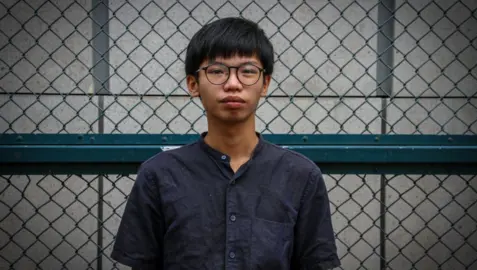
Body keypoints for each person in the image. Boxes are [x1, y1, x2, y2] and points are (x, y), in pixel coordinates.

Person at [110, 17, 341, 270]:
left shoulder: (301, 177)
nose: (233, 84)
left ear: (265, 84)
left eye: (248, 71)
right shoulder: (158, 175)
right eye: (217, 71)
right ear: (193, 84)